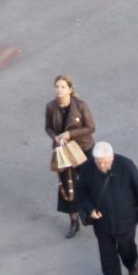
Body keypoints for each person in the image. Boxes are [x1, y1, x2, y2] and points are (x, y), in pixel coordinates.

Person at [78, 143, 138, 275]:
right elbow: (82, 193)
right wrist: (91, 209)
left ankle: (131, 265)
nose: (101, 166)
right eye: (98, 162)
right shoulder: (86, 169)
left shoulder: (126, 165)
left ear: (112, 158)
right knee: (107, 253)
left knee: (127, 248)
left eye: (105, 162)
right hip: (102, 223)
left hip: (126, 220)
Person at [44, 76, 96, 235]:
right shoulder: (51, 107)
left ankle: (93, 214)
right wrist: (56, 137)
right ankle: (74, 220)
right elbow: (48, 128)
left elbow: (90, 128)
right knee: (67, 184)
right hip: (64, 149)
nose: (59, 90)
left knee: (90, 181)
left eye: (62, 87)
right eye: (57, 86)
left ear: (70, 89)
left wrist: (69, 133)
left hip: (83, 148)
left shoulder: (80, 105)